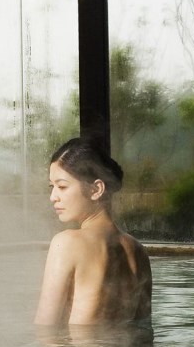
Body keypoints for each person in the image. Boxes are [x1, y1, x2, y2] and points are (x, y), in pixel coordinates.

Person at [33, 138, 152, 326]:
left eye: (62, 186)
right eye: (52, 186)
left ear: (96, 189)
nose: (53, 197)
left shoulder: (66, 243)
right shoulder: (138, 250)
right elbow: (143, 327)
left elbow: (45, 327)